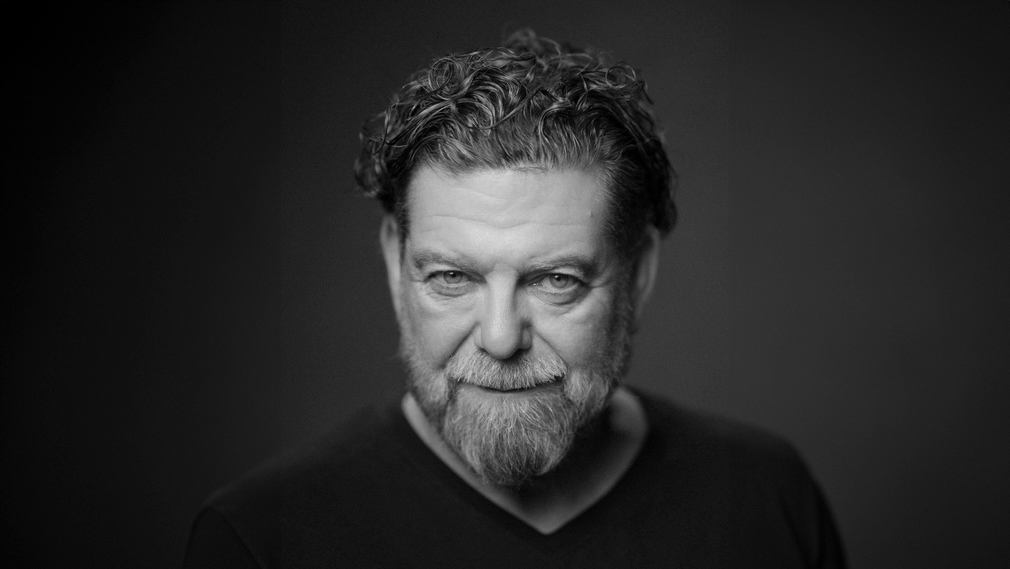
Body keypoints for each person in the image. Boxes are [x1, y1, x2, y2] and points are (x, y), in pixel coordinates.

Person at [184, 30, 846, 568]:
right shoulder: (259, 541)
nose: (500, 338)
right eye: (452, 277)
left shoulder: (765, 499)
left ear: (639, 272)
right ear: (394, 261)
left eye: (556, 280)